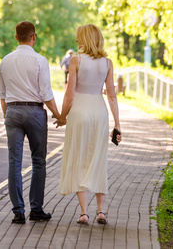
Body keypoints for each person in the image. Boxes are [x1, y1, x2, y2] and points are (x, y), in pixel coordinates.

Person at [55, 24, 121, 225]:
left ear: (84, 40)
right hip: (99, 112)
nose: (76, 41)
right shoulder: (107, 63)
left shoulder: (76, 61)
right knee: (99, 160)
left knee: (78, 159)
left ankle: (84, 213)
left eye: (79, 38)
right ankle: (101, 211)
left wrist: (62, 116)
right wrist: (117, 125)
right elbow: (111, 96)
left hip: (80, 111)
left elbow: (70, 94)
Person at [0, 21, 61, 224]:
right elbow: (45, 93)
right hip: (34, 112)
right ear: (34, 37)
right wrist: (58, 115)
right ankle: (36, 209)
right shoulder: (40, 60)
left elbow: (2, 94)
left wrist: (8, 116)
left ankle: (18, 211)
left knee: (14, 162)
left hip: (13, 111)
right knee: (38, 161)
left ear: (16, 37)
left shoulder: (5, 61)